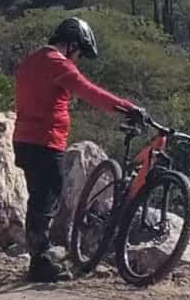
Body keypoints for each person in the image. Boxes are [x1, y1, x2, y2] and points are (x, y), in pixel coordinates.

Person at [14, 16, 144, 283]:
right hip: (45, 141)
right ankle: (39, 263)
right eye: (79, 53)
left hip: (24, 139)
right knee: (46, 200)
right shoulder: (58, 64)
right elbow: (88, 92)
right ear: (71, 45)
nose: (78, 59)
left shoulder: (31, 60)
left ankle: (39, 256)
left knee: (39, 198)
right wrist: (127, 108)